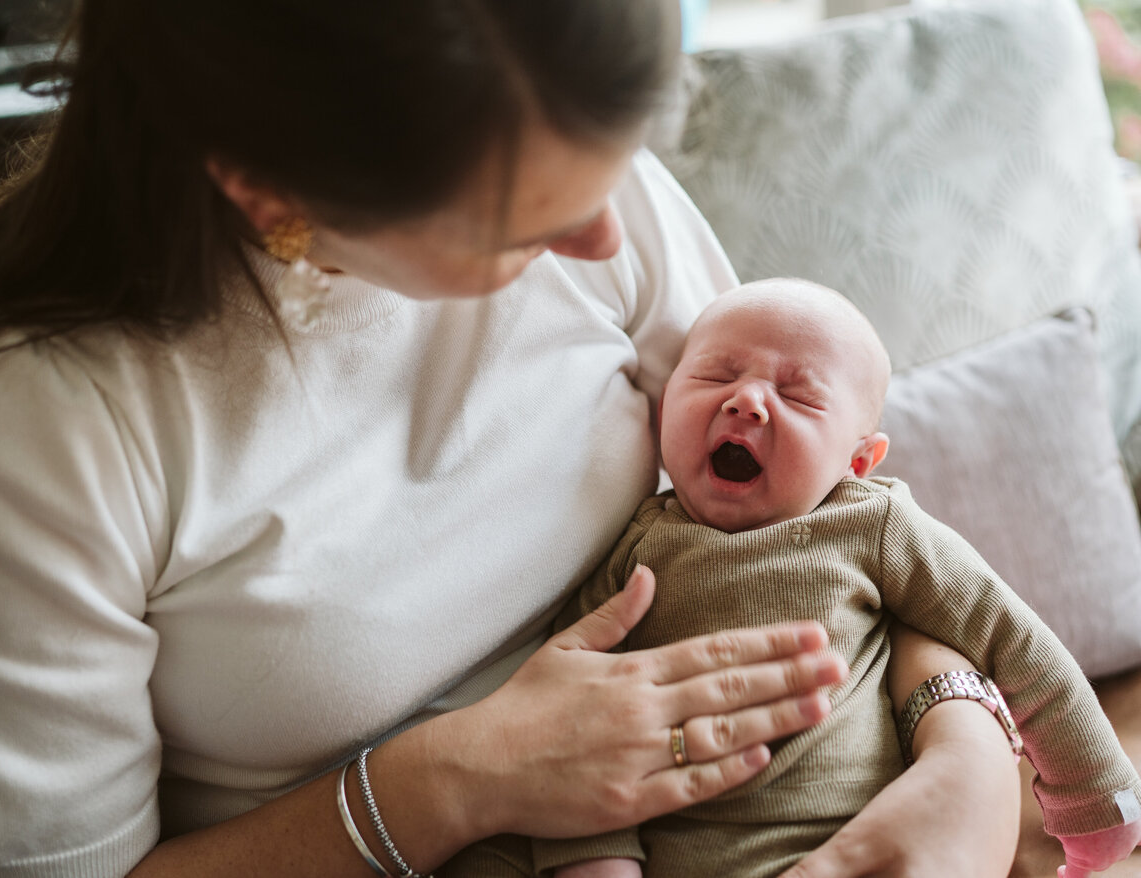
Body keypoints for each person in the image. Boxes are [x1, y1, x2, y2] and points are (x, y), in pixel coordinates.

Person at [0, 2, 1027, 877]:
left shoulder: (553, 146)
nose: (602, 236)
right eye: (523, 226)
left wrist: (962, 750)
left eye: (613, 172)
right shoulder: (30, 429)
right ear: (275, 193)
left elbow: (829, 506)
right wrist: (460, 775)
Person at [439, 279, 1141, 878]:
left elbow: (1008, 635)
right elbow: (571, 727)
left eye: (800, 397)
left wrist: (1094, 794)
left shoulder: (873, 524)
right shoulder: (634, 546)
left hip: (850, 846)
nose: (747, 402)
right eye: (714, 375)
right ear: (662, 407)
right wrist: (601, 861)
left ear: (858, 461)